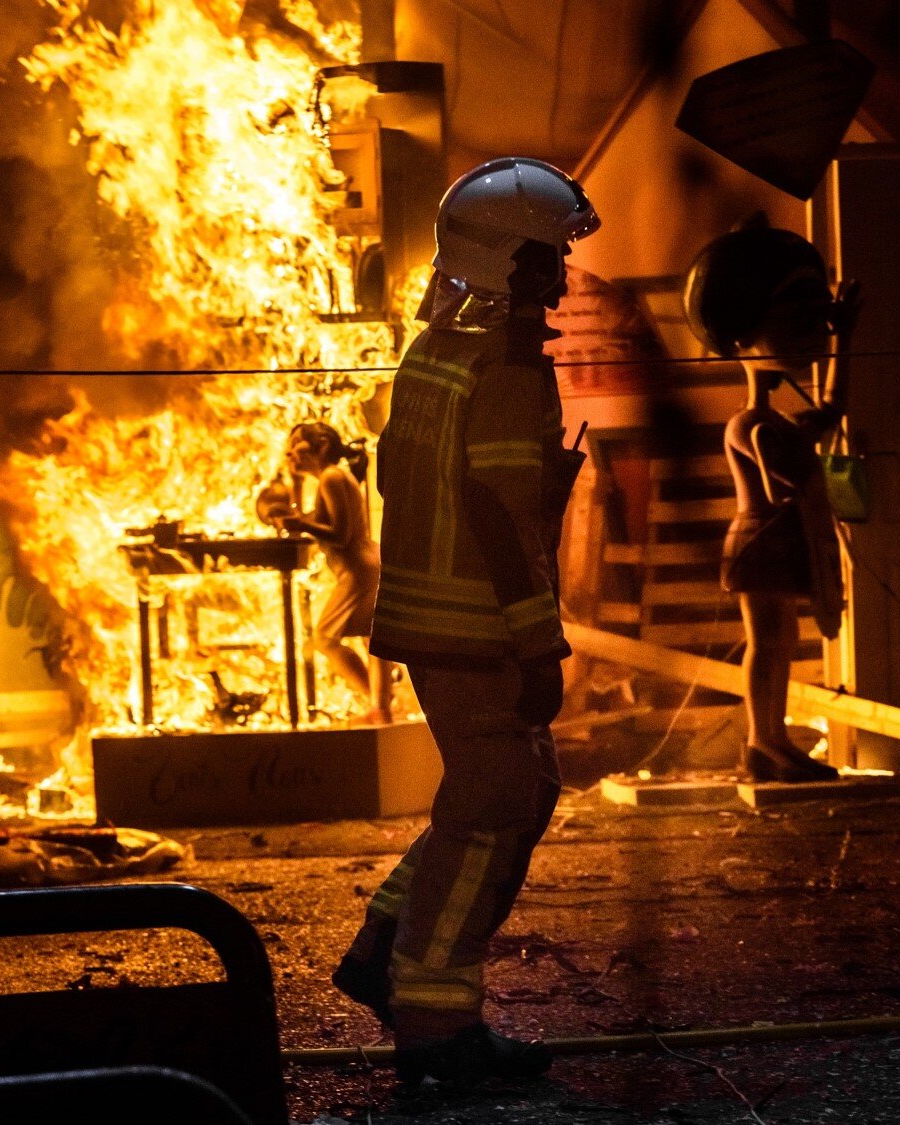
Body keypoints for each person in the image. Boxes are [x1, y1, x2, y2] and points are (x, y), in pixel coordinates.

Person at [331, 157, 599, 1089]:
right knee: (493, 808)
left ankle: (384, 943)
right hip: (479, 630)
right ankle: (436, 1025)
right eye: (544, 262)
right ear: (502, 263)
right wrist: (538, 642)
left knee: (511, 796)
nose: (560, 279)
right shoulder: (508, 367)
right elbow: (501, 514)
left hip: (428, 618)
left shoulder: (431, 354)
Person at [683, 221, 861, 783]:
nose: (813, 330)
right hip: (761, 546)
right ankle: (763, 740)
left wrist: (847, 340)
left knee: (782, 640)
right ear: (740, 338)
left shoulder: (776, 423)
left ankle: (775, 738)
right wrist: (822, 481)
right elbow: (785, 480)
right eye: (795, 316)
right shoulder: (750, 425)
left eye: (818, 317)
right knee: (766, 641)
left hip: (779, 546)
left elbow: (830, 412)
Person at [275, 421, 392, 723]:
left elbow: (340, 534)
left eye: (297, 444)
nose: (290, 452)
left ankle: (375, 701)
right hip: (364, 566)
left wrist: (300, 524)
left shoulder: (331, 476)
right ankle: (382, 708)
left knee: (325, 638)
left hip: (357, 570)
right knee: (371, 638)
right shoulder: (333, 477)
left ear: (322, 445)